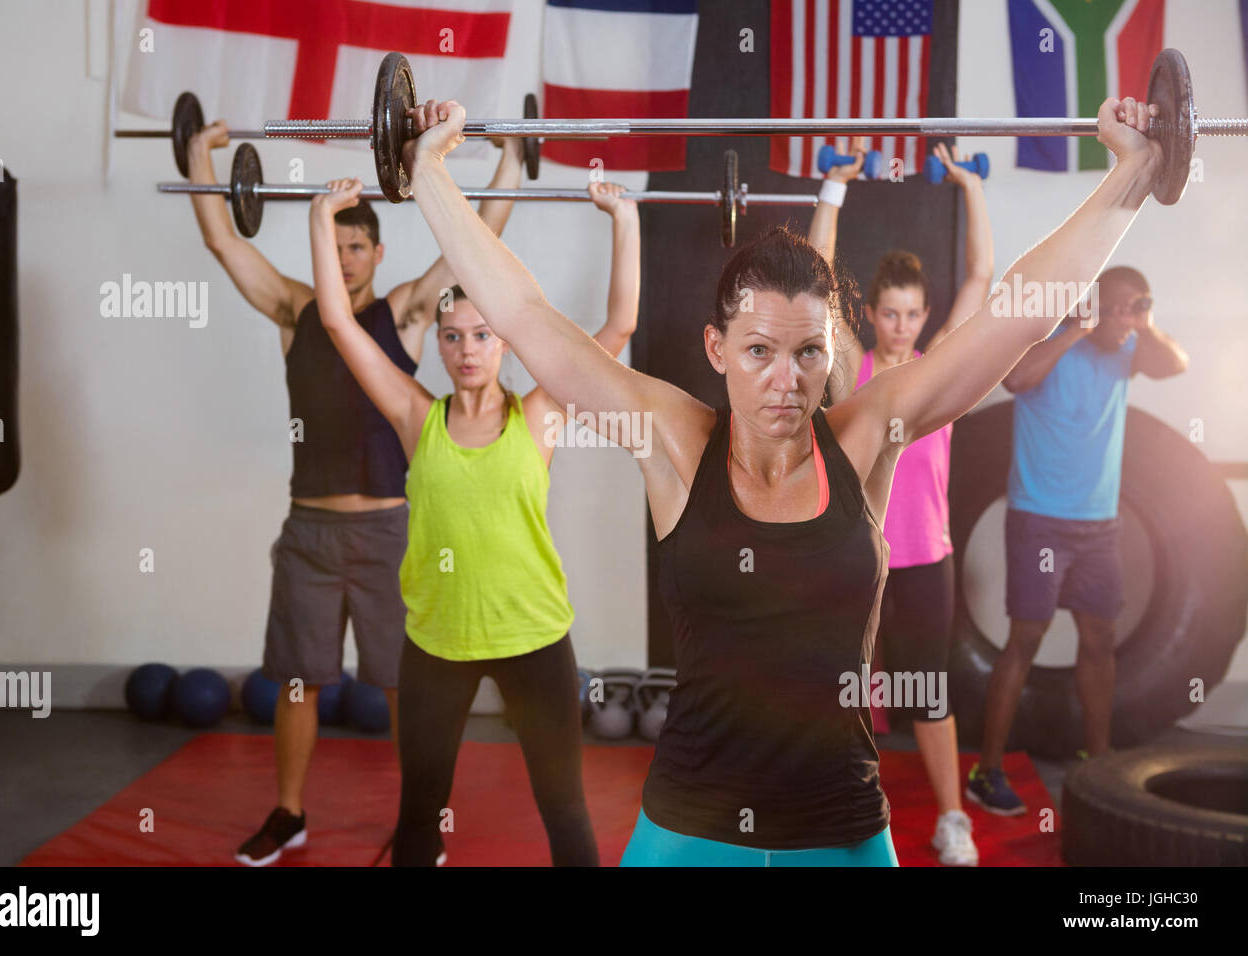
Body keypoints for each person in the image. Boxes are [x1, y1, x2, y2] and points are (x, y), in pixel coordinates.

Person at [398, 91, 1168, 866]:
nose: (785, 382)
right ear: (716, 348)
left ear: (831, 355)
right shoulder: (671, 441)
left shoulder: (867, 436)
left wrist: (1129, 177)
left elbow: (1016, 316)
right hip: (688, 830)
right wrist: (427, 172)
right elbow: (527, 317)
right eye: (759, 351)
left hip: (840, 828)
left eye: (808, 354)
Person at [182, 120, 525, 866]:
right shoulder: (293, 310)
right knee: (298, 682)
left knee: (407, 688)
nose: (343, 258)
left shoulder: (400, 312)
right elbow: (224, 244)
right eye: (334, 246)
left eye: (356, 247)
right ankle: (289, 813)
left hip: (392, 533)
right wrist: (198, 155)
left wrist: (511, 159)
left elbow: (474, 244)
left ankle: (418, 821)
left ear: (376, 252)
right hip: (308, 532)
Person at [308, 176, 642, 866]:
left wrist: (625, 218)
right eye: (453, 335)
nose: (467, 349)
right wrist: (318, 217)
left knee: (565, 808)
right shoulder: (413, 417)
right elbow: (339, 323)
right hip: (437, 643)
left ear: (506, 344)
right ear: (437, 344)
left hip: (535, 639)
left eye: (483, 335)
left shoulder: (542, 414)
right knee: (419, 816)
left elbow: (620, 326)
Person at [807, 140, 993, 865]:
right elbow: (815, 285)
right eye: (891, 313)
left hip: (926, 559)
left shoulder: (935, 369)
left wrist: (970, 185)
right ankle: (837, 812)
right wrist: (833, 186)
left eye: (913, 314)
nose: (903, 327)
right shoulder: (851, 366)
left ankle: (952, 819)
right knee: (840, 688)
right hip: (855, 557)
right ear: (874, 312)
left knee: (930, 692)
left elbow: (981, 276)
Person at [967, 265, 1188, 815]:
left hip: (1098, 524)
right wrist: (1079, 329)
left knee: (1099, 639)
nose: (1123, 320)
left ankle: (1098, 761)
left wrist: (1144, 319)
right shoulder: (1061, 338)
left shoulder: (1132, 346)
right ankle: (986, 770)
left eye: (1133, 308)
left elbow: (1176, 364)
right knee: (1026, 638)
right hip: (1040, 520)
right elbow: (1014, 381)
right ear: (1096, 306)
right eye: (1116, 308)